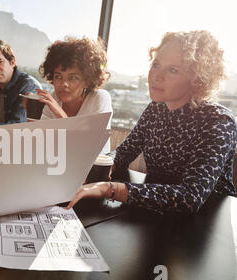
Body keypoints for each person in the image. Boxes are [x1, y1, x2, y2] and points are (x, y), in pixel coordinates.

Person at [68, 30, 237, 214]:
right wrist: (102, 168)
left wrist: (109, 189)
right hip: (155, 215)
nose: (156, 76)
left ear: (197, 79)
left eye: (173, 70)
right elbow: (124, 152)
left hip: (208, 225)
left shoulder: (219, 122)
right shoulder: (155, 109)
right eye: (156, 64)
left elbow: (190, 197)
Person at [28, 37, 112, 154]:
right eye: (58, 76)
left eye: (73, 78)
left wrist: (60, 115)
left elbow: (91, 149)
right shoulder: (54, 98)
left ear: (87, 81)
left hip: (93, 169)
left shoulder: (99, 98)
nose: (64, 84)